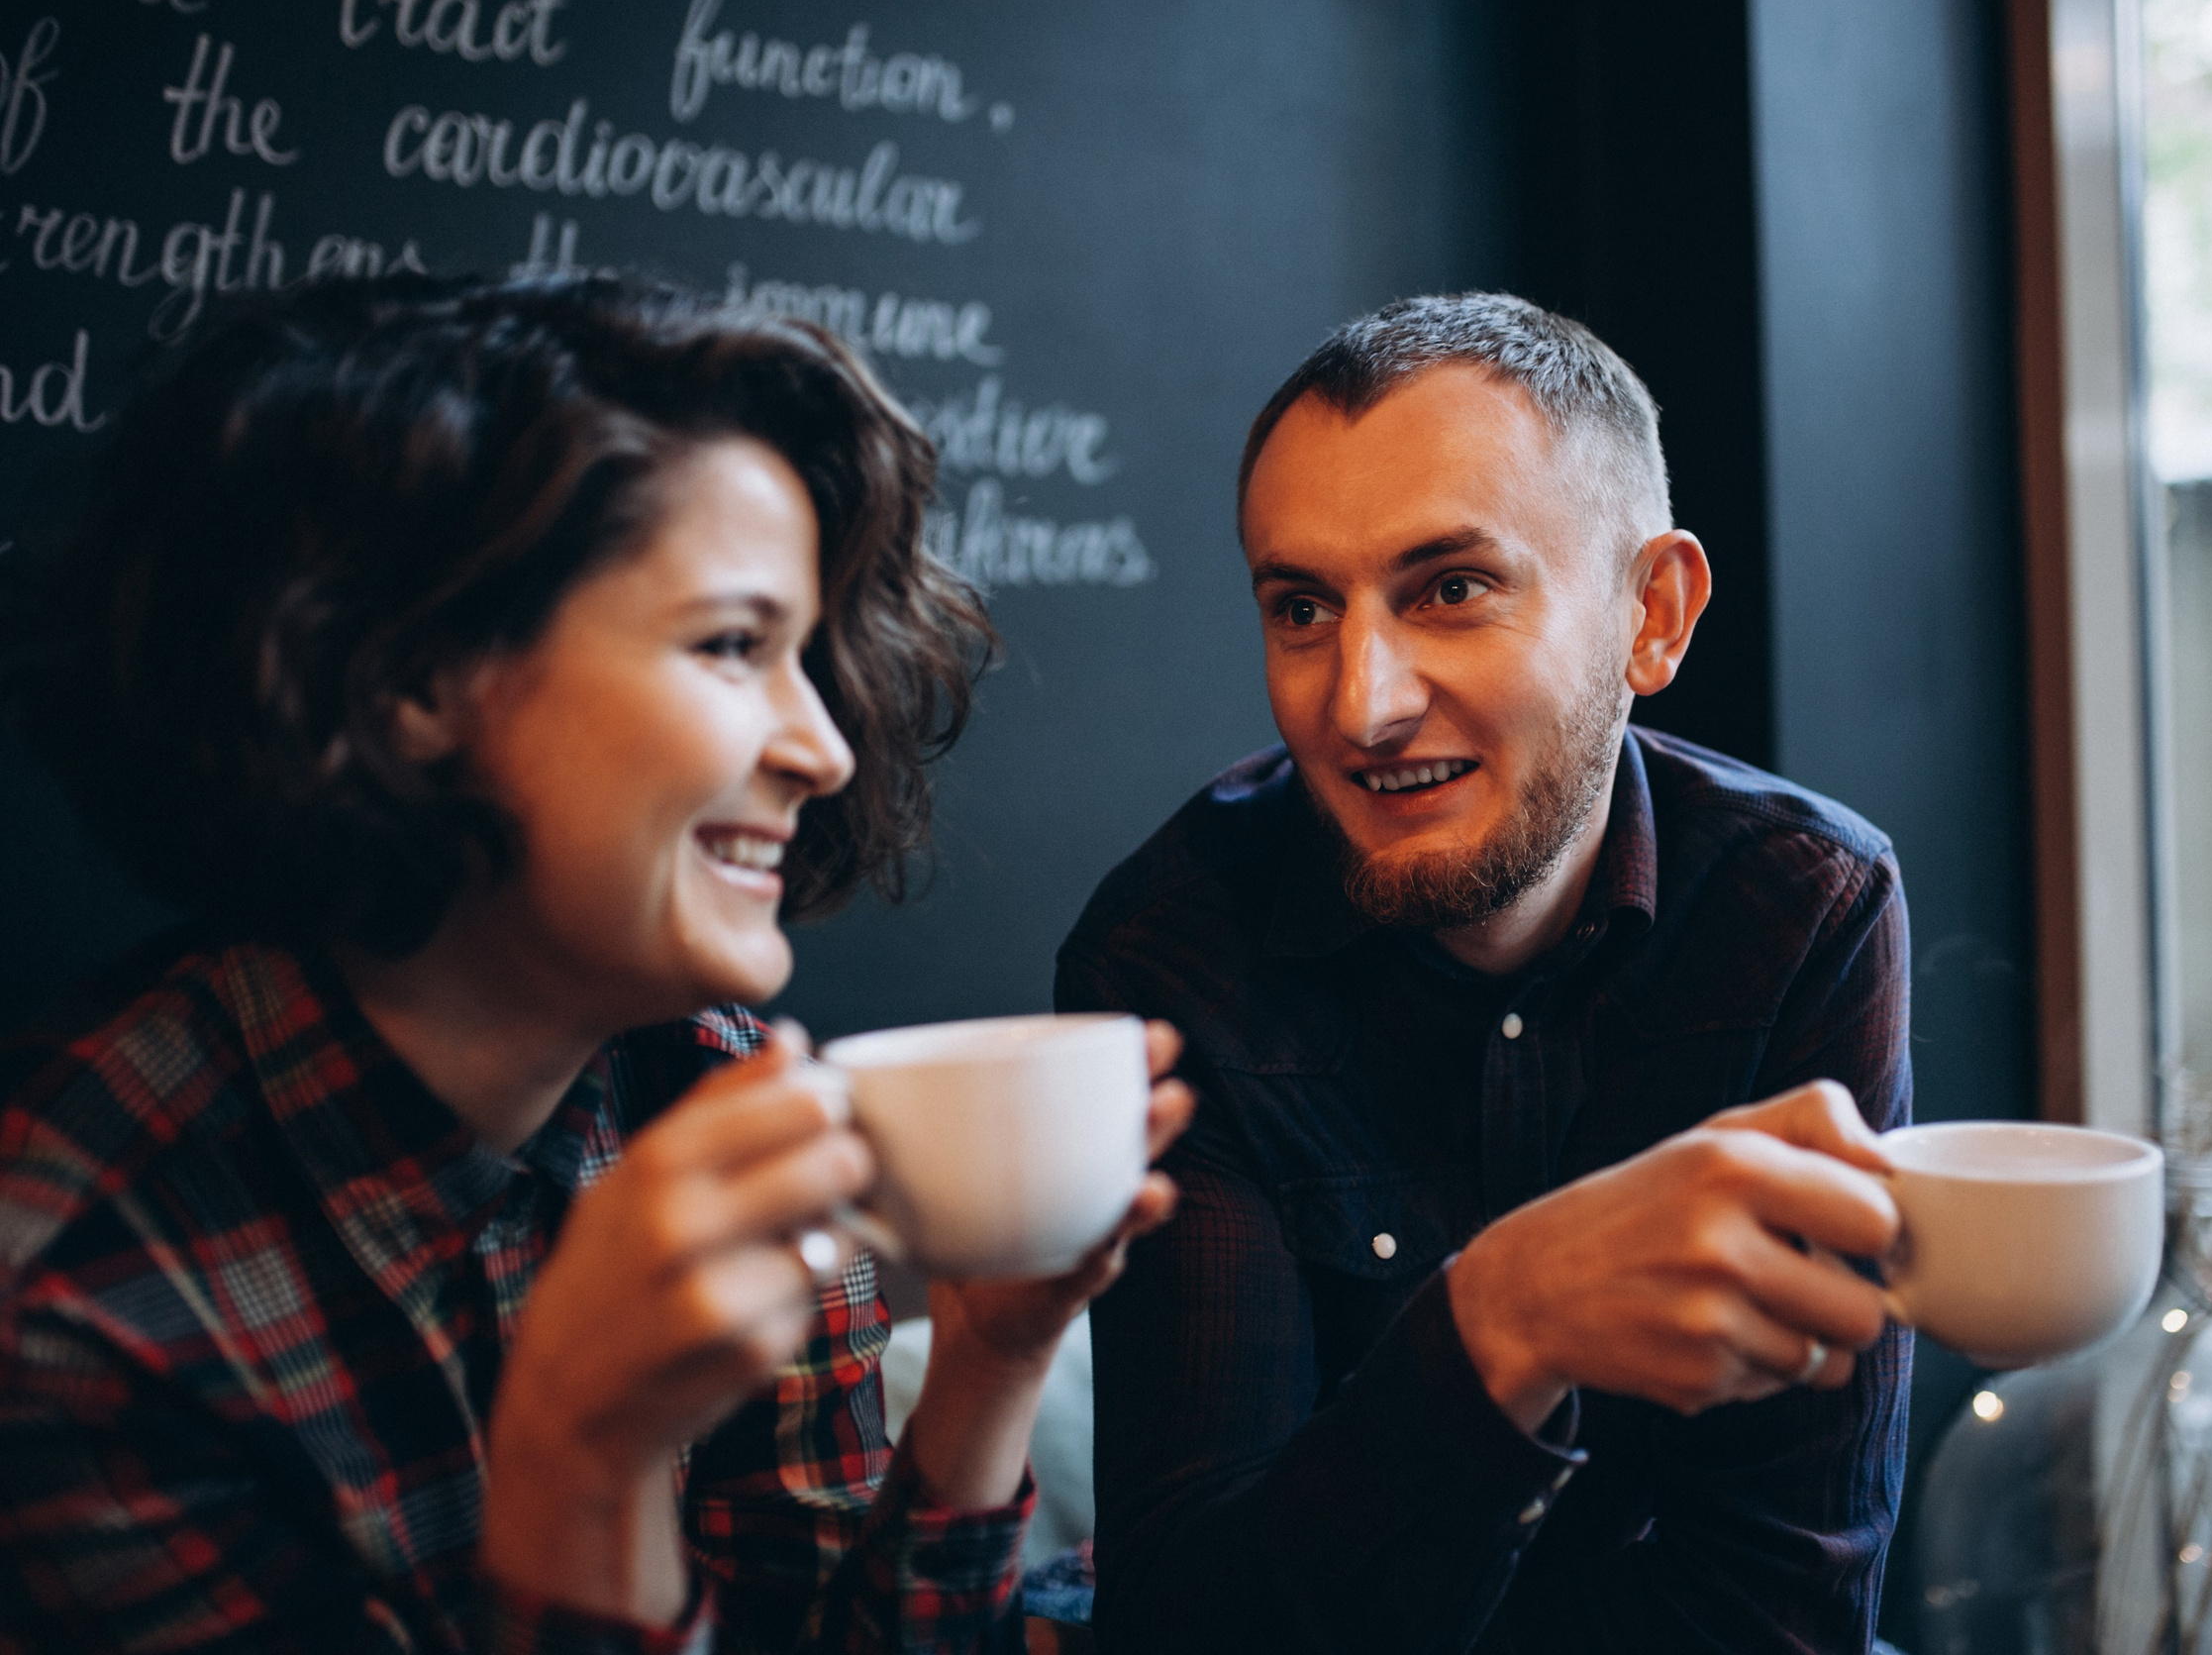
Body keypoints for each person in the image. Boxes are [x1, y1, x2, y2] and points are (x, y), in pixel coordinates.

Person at [0, 274, 1191, 1655]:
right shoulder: (70, 1304)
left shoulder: (713, 1086)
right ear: (413, 676)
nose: (826, 747)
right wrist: (586, 1460)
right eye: (734, 644)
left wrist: (990, 1362)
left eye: (808, 653)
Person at [1059, 292, 1912, 1652]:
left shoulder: (1801, 907)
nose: (1363, 703)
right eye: (1301, 608)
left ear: (1655, 613)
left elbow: (1787, 1596)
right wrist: (1502, 1322)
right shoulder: (1171, 954)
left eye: (1450, 589)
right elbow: (1194, 1623)